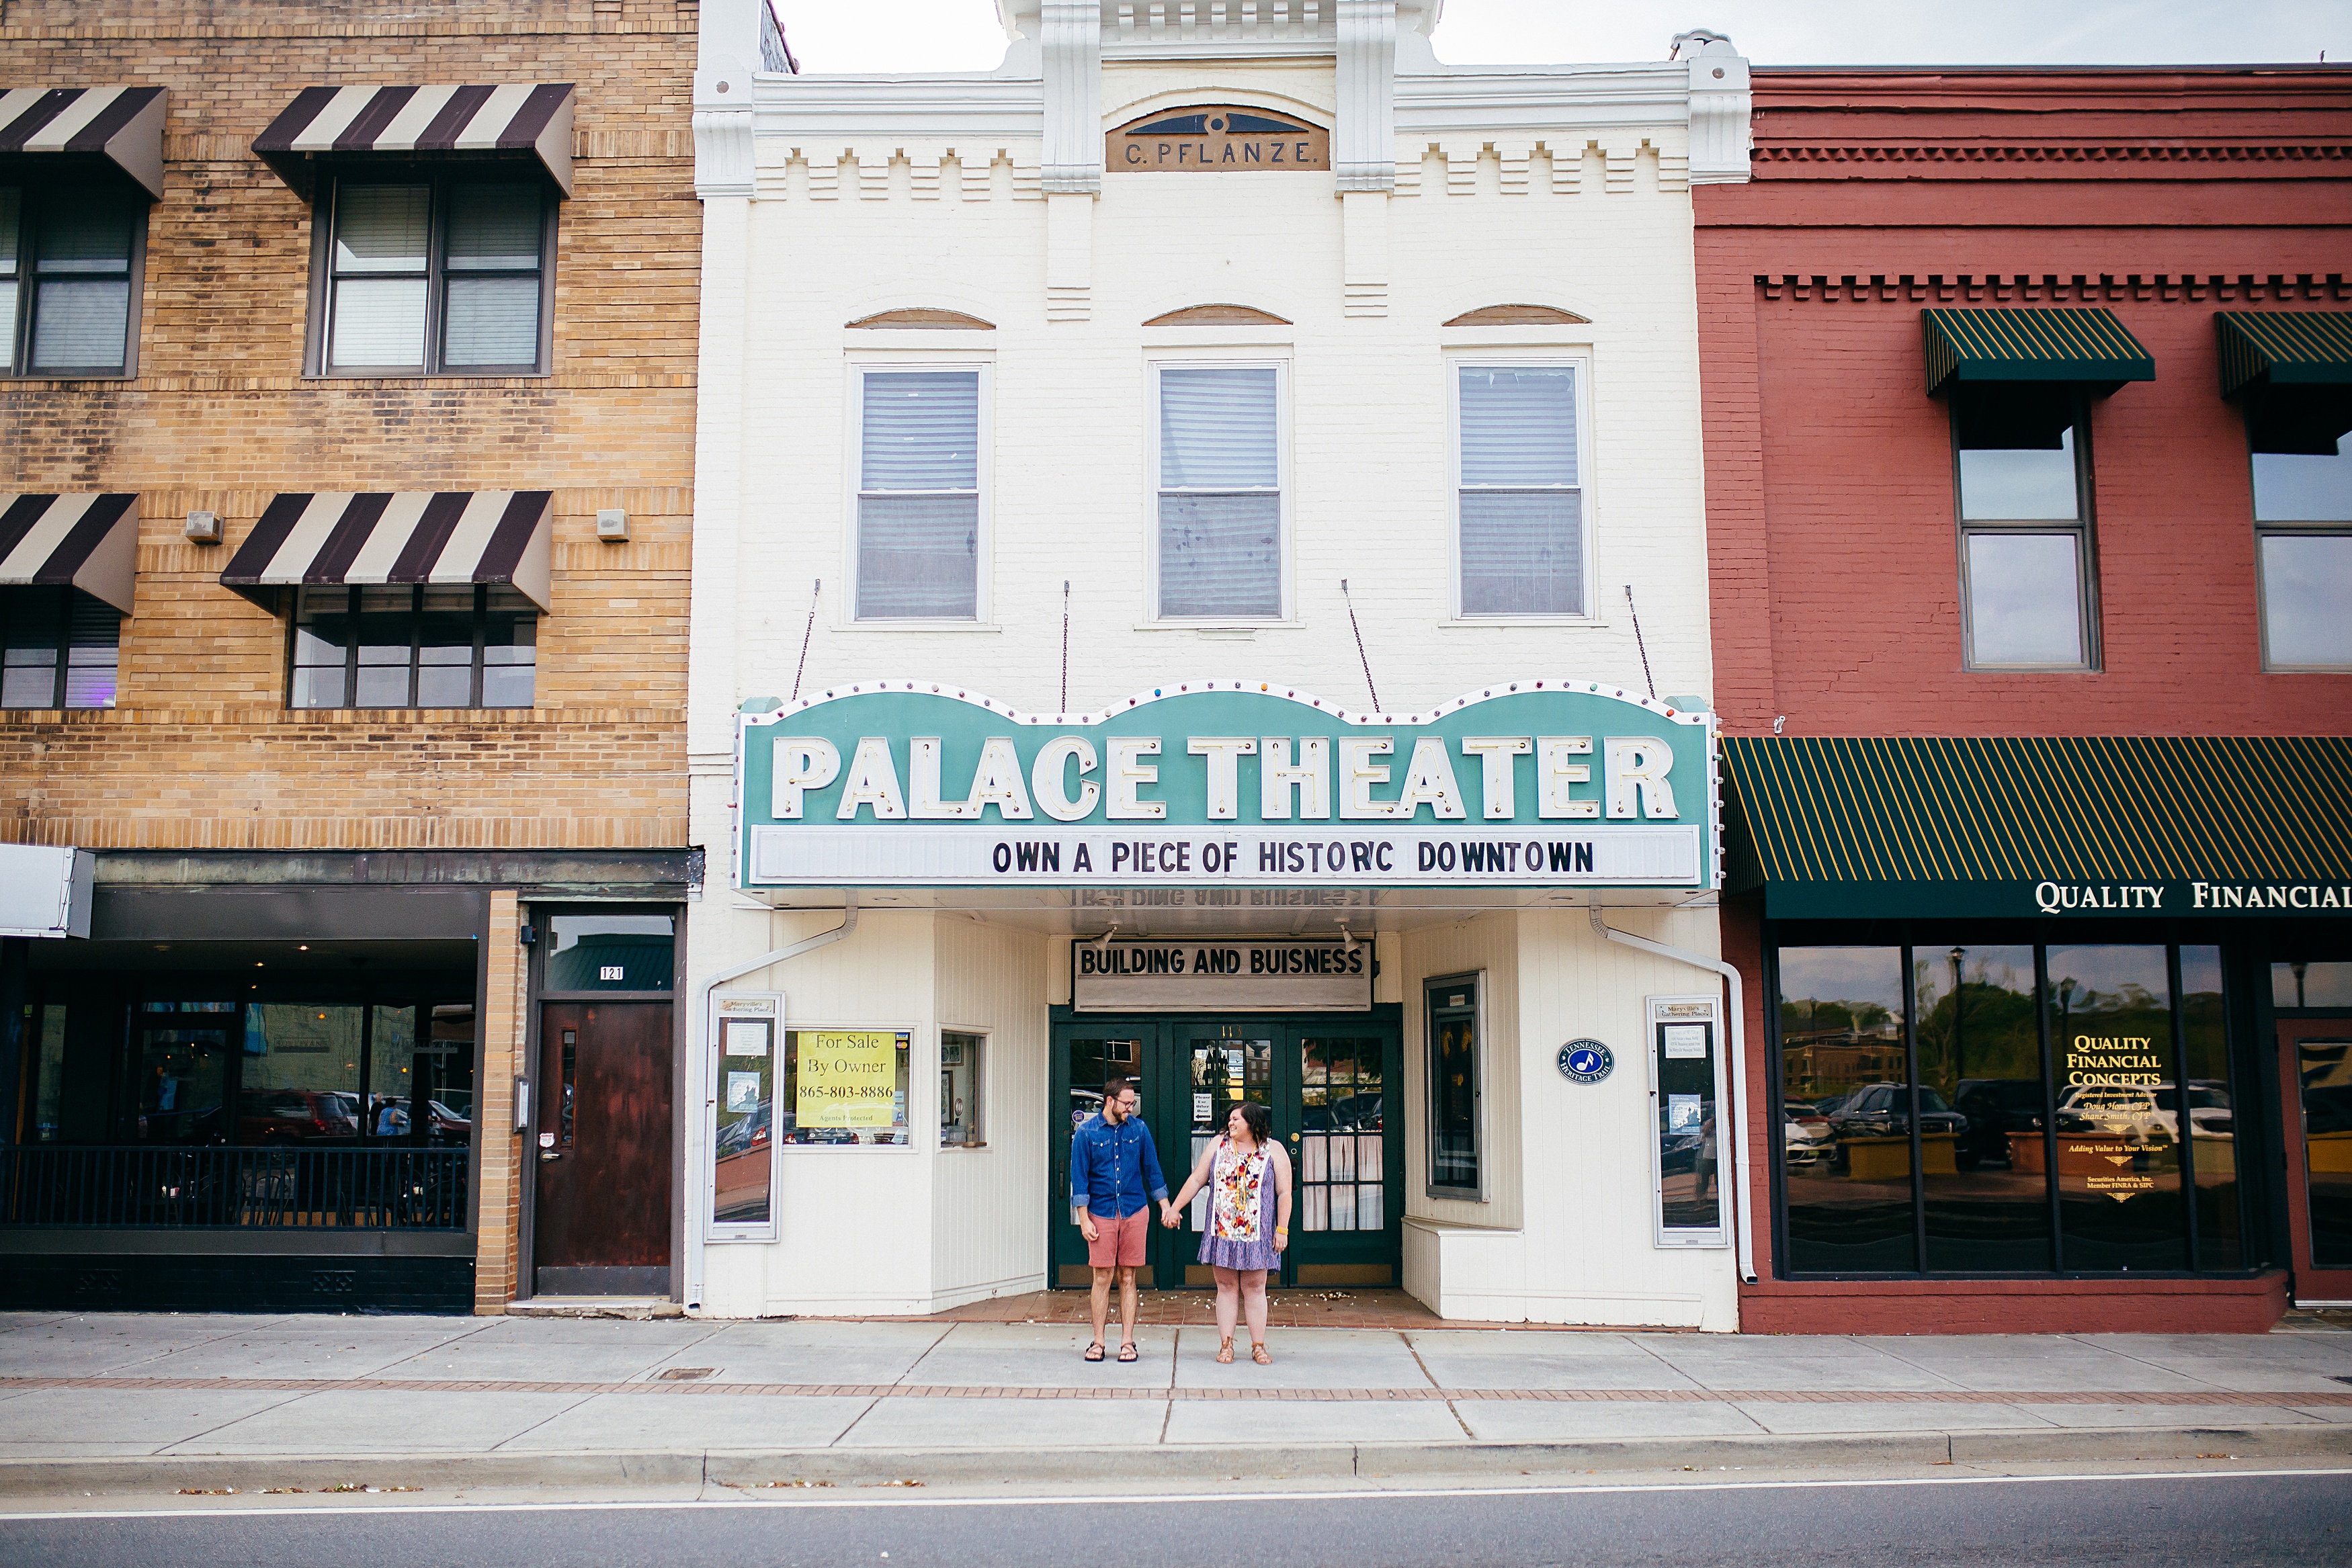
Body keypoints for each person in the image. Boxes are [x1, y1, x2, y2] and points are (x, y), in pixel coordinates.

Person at [1165, 1100, 1292, 1365]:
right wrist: (1175, 1208)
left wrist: (1282, 1229)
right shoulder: (1218, 1145)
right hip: (1222, 1232)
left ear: (1253, 1123)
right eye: (1230, 1118)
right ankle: (1226, 1345)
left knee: (1255, 1287)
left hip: (1257, 1234)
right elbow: (1198, 1178)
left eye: (1237, 1119)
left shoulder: (1274, 1150)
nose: (1231, 1123)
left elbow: (1284, 1193)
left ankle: (1258, 1346)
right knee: (1226, 1287)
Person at [1068, 1076, 1176, 1363]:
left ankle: (1128, 1342)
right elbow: (1079, 1180)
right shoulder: (1086, 1134)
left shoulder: (1139, 1130)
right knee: (1102, 1276)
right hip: (1100, 1212)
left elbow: (1153, 1171)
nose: (1131, 1108)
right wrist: (1084, 1219)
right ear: (1110, 1101)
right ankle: (1099, 1342)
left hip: (1134, 1210)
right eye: (1126, 1103)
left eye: (1133, 1103)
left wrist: (1165, 1207)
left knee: (1128, 1276)